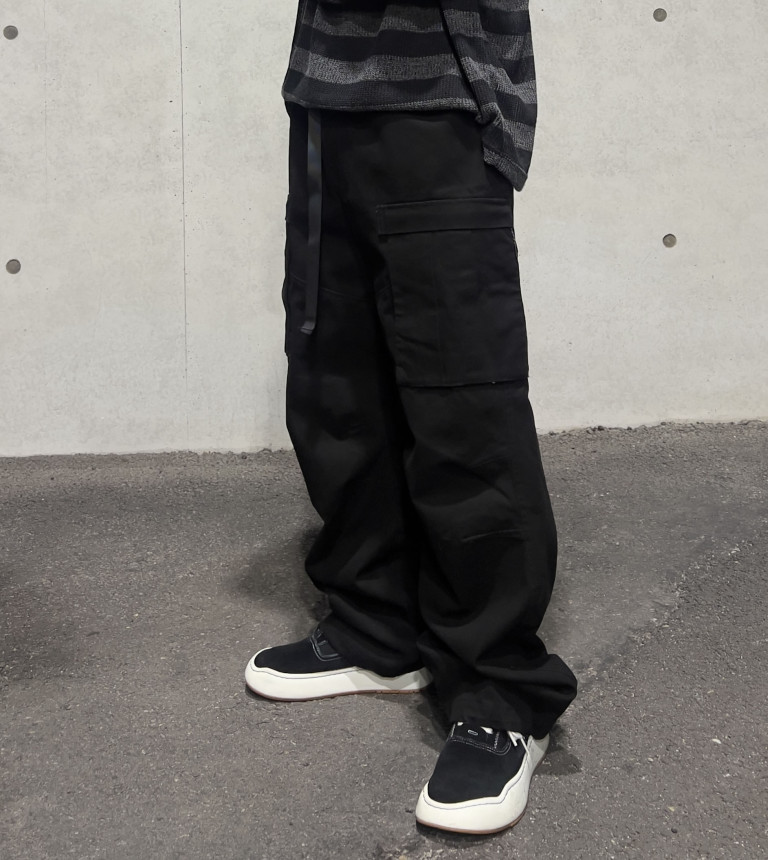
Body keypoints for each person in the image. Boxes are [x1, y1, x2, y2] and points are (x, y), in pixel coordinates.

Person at [244, 0, 577, 834]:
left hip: (443, 101)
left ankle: (501, 691)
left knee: (462, 405)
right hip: (325, 101)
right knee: (336, 384)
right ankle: (377, 628)